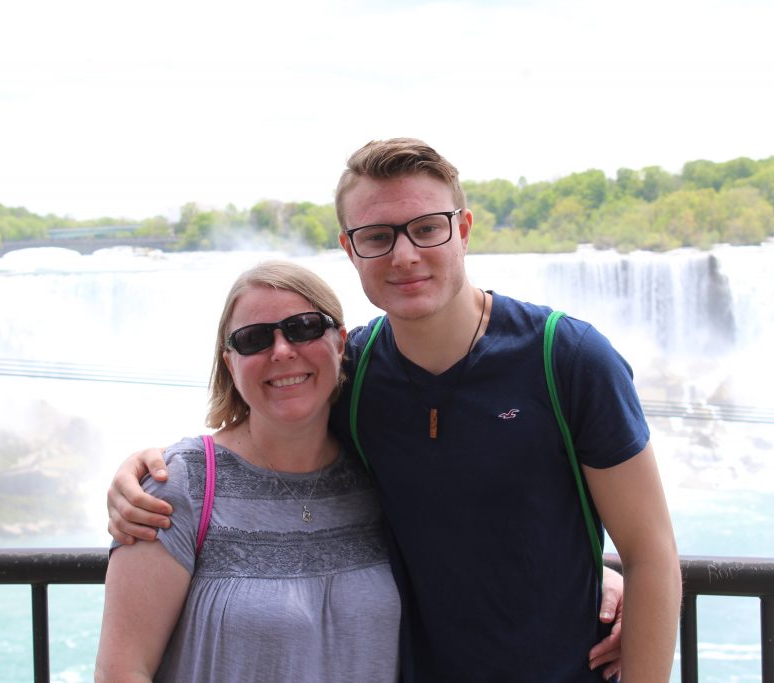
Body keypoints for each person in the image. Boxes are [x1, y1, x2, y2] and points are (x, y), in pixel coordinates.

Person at [109, 138, 681, 681]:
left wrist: (602, 579)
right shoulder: (351, 375)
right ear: (350, 249)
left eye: (427, 229)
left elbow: (650, 552)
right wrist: (150, 469)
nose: (404, 256)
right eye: (378, 236)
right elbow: (267, 428)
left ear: (464, 229)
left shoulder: (569, 359)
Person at [96, 262, 401, 681]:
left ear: (339, 343)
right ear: (229, 363)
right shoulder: (179, 487)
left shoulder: (380, 473)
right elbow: (122, 671)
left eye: (304, 327)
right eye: (253, 339)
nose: (281, 350)